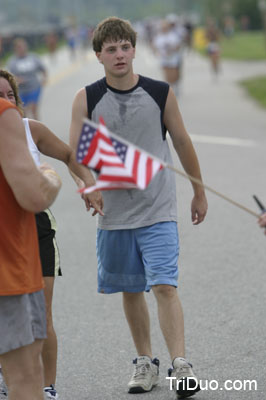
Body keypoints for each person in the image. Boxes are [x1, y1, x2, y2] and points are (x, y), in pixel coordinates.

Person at [69, 16, 208, 399]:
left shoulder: (160, 92)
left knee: (164, 284)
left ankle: (181, 364)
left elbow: (180, 141)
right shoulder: (87, 98)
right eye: (110, 49)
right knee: (131, 290)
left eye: (125, 47)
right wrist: (88, 185)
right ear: (98, 55)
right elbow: (75, 155)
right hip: (114, 214)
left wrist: (199, 191)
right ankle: (144, 362)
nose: (119, 54)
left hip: (158, 207)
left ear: (134, 49)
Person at [0, 69, 104, 400]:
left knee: (41, 317)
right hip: (9, 230)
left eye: (10, 95)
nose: (5, 101)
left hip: (37, 228)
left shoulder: (30, 130)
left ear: (19, 100)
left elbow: (70, 156)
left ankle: (47, 386)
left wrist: (87, 182)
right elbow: (38, 187)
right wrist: (50, 178)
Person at [0, 97, 61, 400]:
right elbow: (34, 197)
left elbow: (69, 151)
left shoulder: (25, 125)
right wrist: (50, 178)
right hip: (8, 264)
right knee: (26, 378)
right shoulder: (2, 116)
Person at [7, 37, 47, 120]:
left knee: (33, 108)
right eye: (19, 47)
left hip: (34, 87)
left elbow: (43, 69)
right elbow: (10, 76)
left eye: (23, 46)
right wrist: (17, 79)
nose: (21, 48)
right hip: (21, 90)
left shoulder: (33, 57)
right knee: (23, 112)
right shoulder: (12, 61)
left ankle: (38, 128)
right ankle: (27, 128)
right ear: (15, 49)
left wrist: (44, 79)